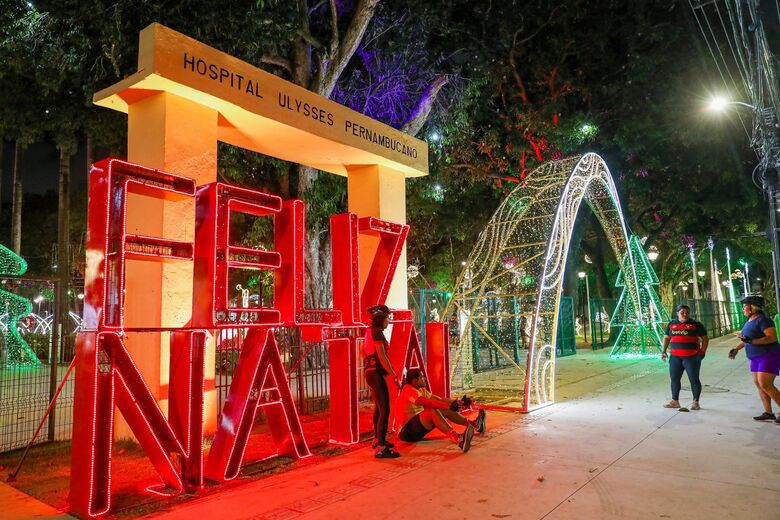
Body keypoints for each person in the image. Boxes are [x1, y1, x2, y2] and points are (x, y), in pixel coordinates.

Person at [394, 368, 486, 453]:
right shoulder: (408, 390)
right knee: (431, 410)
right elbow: (427, 402)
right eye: (422, 377)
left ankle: (476, 425)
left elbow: (439, 399)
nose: (424, 378)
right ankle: (459, 441)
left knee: (443, 409)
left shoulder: (421, 390)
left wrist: (459, 402)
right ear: (415, 381)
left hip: (417, 428)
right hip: (405, 433)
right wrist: (449, 406)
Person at [728, 295, 780, 423]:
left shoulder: (764, 320)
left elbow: (772, 337)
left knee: (766, 384)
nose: (743, 309)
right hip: (754, 357)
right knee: (759, 385)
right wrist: (736, 349)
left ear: (753, 307)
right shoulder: (749, 321)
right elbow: (746, 340)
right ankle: (768, 412)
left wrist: (751, 341)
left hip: (768, 355)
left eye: (745, 307)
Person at [363, 304, 402, 458]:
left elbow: (363, 352)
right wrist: (394, 375)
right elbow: (382, 356)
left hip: (370, 372)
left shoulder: (369, 331)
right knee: (385, 409)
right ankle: (381, 448)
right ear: (381, 319)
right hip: (376, 373)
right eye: (387, 318)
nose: (388, 321)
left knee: (379, 408)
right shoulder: (377, 333)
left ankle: (377, 439)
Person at [661, 304, 708, 410]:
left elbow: (705, 338)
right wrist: (663, 351)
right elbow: (667, 338)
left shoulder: (696, 325)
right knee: (674, 379)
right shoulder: (671, 324)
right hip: (675, 358)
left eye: (687, 312)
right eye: (682, 312)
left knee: (694, 379)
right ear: (677, 313)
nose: (685, 314)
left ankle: (695, 402)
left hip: (691, 358)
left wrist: (702, 352)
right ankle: (675, 401)